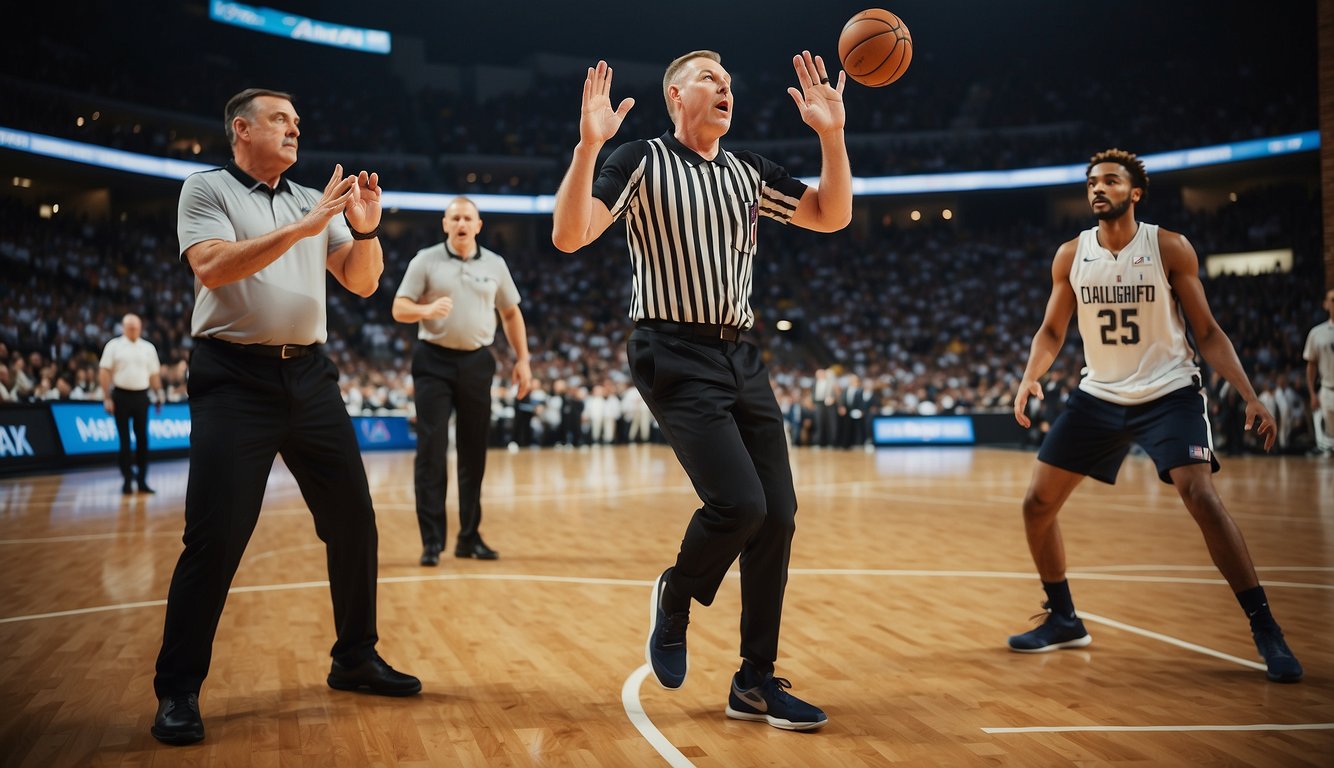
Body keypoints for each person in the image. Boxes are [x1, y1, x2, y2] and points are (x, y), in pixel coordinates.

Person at [552, 50, 851, 730]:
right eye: (709, 80)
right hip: (673, 351)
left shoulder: (747, 171)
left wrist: (830, 135)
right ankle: (678, 593)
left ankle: (755, 680)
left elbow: (830, 214)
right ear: (675, 96)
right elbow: (570, 235)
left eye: (729, 82)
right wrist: (587, 145)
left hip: (742, 354)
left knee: (778, 515)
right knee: (740, 504)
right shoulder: (639, 160)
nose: (725, 89)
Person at [151, 88, 420, 747]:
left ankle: (355, 655)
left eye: (299, 120)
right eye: (280, 119)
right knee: (214, 539)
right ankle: (179, 690)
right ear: (241, 128)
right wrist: (303, 229)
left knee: (354, 521)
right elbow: (211, 269)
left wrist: (363, 228)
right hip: (232, 379)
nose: (295, 128)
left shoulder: (313, 200)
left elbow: (360, 281)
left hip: (309, 375)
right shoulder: (205, 189)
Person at [1009, 148, 1303, 683]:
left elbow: (1207, 332)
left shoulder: (1168, 246)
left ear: (1135, 192)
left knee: (1200, 495)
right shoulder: (1071, 254)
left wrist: (1250, 394)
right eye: (1092, 182)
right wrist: (1032, 375)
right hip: (1099, 395)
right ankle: (1064, 617)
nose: (1098, 189)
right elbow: (1052, 331)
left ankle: (1266, 629)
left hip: (1169, 392)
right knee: (1036, 504)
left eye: (1111, 181)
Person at [392, 196, 532, 565]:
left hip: (476, 362)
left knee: (474, 453)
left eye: (468, 218)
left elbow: (511, 313)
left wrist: (523, 360)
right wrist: (425, 309)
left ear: (478, 225)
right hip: (432, 361)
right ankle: (431, 542)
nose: (461, 223)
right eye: (454, 218)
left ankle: (469, 537)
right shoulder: (425, 260)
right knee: (431, 452)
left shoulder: (495, 264)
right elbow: (399, 306)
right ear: (445, 224)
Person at [99, 313, 165, 494]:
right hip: (120, 396)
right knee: (125, 440)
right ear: (123, 328)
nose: (134, 330)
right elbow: (104, 371)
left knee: (143, 438)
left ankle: (142, 480)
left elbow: (154, 374)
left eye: (136, 327)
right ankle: (127, 479)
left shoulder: (148, 348)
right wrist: (106, 397)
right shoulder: (114, 346)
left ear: (141, 328)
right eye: (130, 327)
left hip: (142, 396)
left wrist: (159, 393)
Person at [1304, 288, 1334, 456]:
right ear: (1325, 304)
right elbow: (1311, 366)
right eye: (1333, 299)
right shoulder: (1317, 333)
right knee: (1328, 449)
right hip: (1328, 391)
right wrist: (1312, 393)